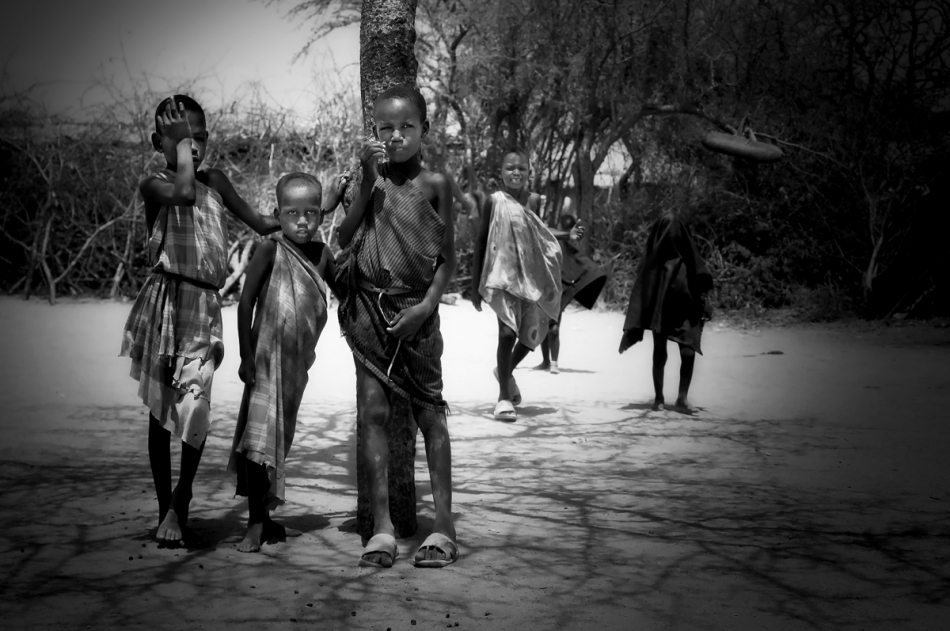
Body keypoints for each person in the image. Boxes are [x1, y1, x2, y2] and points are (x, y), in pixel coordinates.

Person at [120, 95, 281, 546]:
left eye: (201, 138)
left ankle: (182, 499)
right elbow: (184, 193)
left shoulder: (217, 182)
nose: (194, 147)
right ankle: (164, 511)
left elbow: (260, 222)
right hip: (165, 301)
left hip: (203, 307)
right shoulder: (155, 184)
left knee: (196, 407)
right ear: (159, 143)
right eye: (182, 140)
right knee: (160, 413)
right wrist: (182, 151)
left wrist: (312, 210)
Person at [335, 85, 458, 568]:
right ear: (374, 131)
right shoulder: (368, 180)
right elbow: (344, 238)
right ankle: (382, 529)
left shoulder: (436, 185)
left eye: (407, 126)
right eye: (386, 128)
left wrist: (425, 307)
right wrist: (367, 181)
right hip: (369, 311)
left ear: (425, 129)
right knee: (373, 413)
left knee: (430, 413)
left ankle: (444, 525)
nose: (396, 136)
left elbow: (447, 261)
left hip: (417, 313)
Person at [227, 172, 345, 553]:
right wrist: (246, 356)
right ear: (278, 215)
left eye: (311, 213)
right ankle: (254, 523)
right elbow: (245, 303)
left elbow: (345, 294)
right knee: (257, 440)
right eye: (292, 213)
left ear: (321, 216)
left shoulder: (323, 256)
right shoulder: (270, 249)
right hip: (264, 360)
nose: (302, 221)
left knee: (277, 438)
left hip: (295, 368)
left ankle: (264, 518)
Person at [470, 149, 563, 421]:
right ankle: (503, 397)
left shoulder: (533, 201)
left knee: (531, 336)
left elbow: (539, 235)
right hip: (502, 277)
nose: (516, 173)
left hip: (529, 278)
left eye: (522, 168)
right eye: (510, 168)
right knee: (507, 334)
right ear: (501, 172)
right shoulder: (493, 201)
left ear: (529, 172)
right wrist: (475, 287)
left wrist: (567, 236)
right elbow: (481, 242)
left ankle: (505, 371)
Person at [619, 211, 714, 413]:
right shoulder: (654, 262)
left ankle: (682, 397)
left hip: (684, 310)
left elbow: (700, 277)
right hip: (661, 312)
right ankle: (659, 397)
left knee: (688, 352)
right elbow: (644, 288)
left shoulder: (688, 257)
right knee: (660, 354)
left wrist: (704, 302)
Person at [535, 214, 604, 374]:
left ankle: (552, 362)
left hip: (557, 288)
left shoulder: (563, 244)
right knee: (547, 325)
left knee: (551, 327)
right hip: (549, 287)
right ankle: (548, 361)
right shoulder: (555, 239)